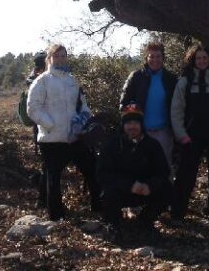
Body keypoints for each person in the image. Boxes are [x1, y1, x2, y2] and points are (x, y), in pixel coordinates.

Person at [27, 43, 101, 220]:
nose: (60, 59)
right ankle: (56, 215)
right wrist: (50, 125)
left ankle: (99, 207)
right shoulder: (42, 81)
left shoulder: (72, 80)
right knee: (53, 178)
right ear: (49, 58)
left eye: (63, 56)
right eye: (57, 56)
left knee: (91, 169)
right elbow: (33, 108)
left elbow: (83, 105)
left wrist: (82, 121)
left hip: (74, 137)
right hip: (51, 139)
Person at [170, 44, 209, 223]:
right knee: (185, 175)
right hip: (190, 136)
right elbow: (176, 110)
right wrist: (181, 135)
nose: (201, 61)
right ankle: (177, 212)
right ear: (193, 60)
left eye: (204, 58)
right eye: (198, 58)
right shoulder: (184, 82)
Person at [97, 103, 172, 239]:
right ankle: (113, 223)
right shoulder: (112, 144)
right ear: (123, 125)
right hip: (121, 190)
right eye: (129, 123)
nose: (132, 126)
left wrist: (150, 185)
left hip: (144, 190)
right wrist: (129, 185)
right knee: (107, 192)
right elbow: (103, 174)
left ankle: (146, 220)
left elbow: (163, 172)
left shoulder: (152, 145)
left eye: (136, 123)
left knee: (167, 188)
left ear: (141, 125)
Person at [119, 42, 178, 168]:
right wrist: (131, 126)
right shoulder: (136, 77)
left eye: (158, 56)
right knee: (139, 169)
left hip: (164, 133)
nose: (155, 60)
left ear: (163, 58)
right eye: (151, 56)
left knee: (164, 169)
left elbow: (178, 106)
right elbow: (124, 104)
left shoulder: (171, 79)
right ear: (146, 58)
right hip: (140, 133)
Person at [25, 51, 48, 207]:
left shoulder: (32, 78)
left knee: (46, 164)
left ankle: (43, 197)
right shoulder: (37, 80)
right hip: (43, 128)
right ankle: (42, 199)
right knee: (47, 164)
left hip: (40, 127)